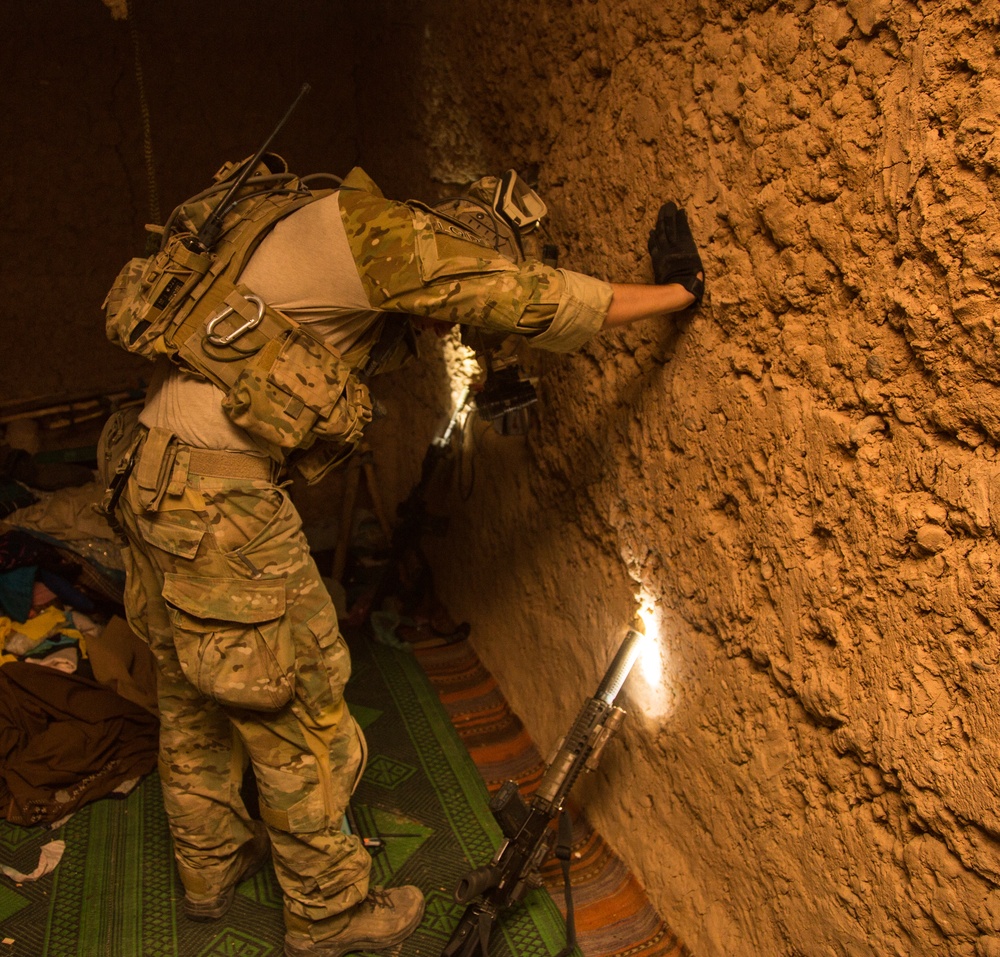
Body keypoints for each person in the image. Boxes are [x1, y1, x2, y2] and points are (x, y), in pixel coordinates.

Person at [98, 165, 705, 957]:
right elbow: (529, 297)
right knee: (297, 704)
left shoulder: (293, 218)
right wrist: (674, 295)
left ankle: (210, 866)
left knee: (188, 687)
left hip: (145, 472)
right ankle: (329, 915)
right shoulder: (380, 238)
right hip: (218, 501)